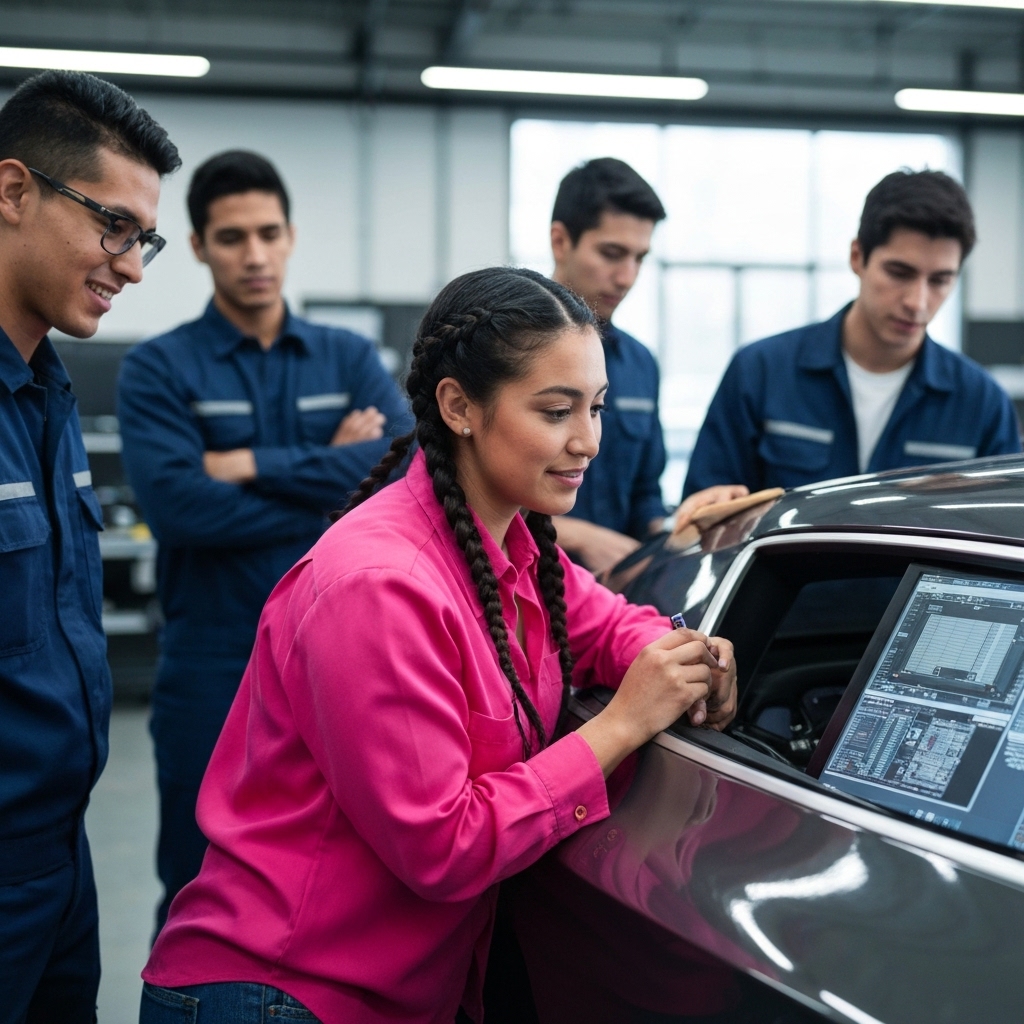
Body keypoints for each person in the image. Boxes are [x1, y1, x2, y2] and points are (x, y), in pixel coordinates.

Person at [139, 266, 738, 1024]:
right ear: (459, 406)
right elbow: (443, 844)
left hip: (396, 991)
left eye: (595, 407)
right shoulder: (378, 585)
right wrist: (623, 723)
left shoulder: (513, 546)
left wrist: (691, 657)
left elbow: (611, 626)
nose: (587, 440)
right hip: (283, 991)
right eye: (555, 411)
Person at [117, 150, 412, 931]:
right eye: (232, 236)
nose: (254, 255)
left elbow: (401, 471)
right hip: (212, 659)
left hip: (344, 657)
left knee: (344, 879)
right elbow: (180, 510)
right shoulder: (158, 369)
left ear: (290, 236)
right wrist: (331, 495)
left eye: (269, 233)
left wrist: (248, 465)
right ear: (198, 246)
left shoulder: (348, 357)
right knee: (197, 884)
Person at [0, 71, 179, 1022]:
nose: (133, 265)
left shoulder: (49, 390)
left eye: (141, 238)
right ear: (14, 190)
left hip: (59, 854)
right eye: (113, 225)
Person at [684, 169, 1022, 497]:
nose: (917, 302)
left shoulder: (982, 403)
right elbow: (702, 515)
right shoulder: (759, 372)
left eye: (940, 280)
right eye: (899, 272)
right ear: (857, 257)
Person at [548, 158, 745, 574]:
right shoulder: (501, 353)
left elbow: (644, 497)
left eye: (639, 258)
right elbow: (458, 489)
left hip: (613, 596)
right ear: (561, 241)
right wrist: (578, 536)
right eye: (612, 254)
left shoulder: (639, 365)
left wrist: (681, 528)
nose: (626, 276)